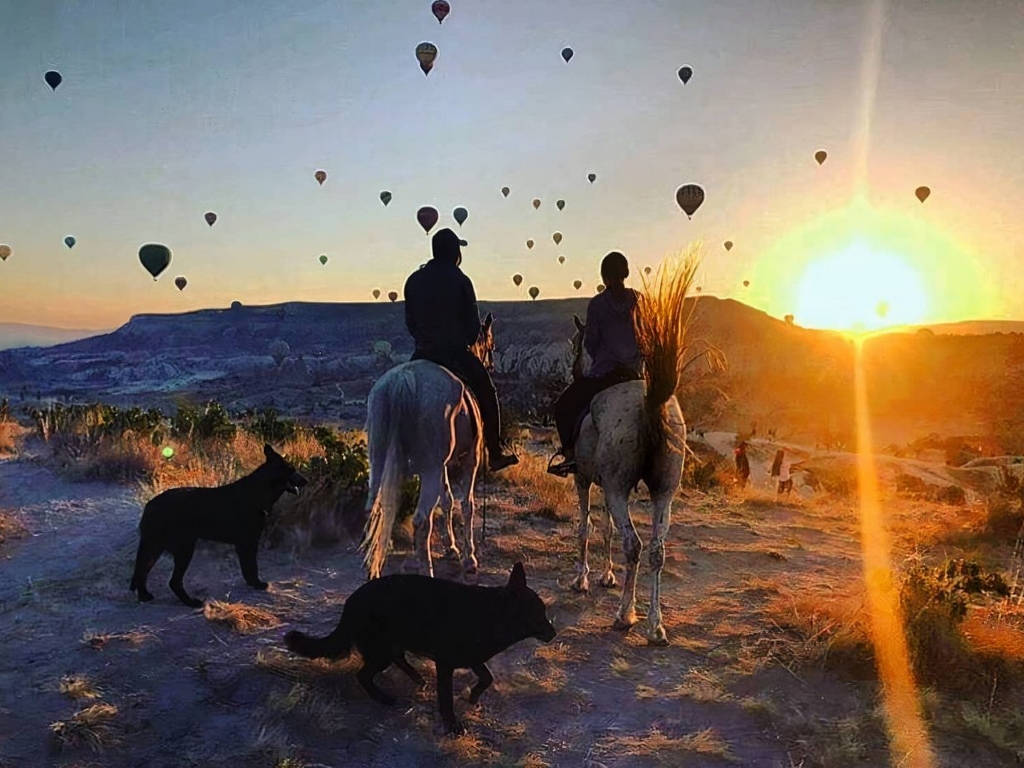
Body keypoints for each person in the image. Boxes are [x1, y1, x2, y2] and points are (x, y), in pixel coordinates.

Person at [404, 228, 519, 472]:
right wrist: (463, 342)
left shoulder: (413, 280)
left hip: (422, 354)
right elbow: (471, 327)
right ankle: (495, 452)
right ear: (455, 252)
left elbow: (411, 323)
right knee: (487, 392)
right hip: (454, 354)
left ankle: (402, 452)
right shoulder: (461, 280)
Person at [547, 252, 643, 476]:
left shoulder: (598, 304)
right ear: (626, 273)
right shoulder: (641, 300)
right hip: (636, 377)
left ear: (604, 277)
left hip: (607, 378)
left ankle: (570, 456)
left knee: (563, 406)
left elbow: (590, 343)